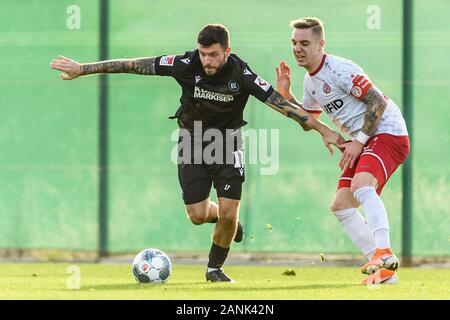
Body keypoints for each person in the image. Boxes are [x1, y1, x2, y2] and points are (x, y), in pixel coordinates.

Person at [51, 23, 343, 283]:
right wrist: (84, 69)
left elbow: (281, 103)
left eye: (213, 54)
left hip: (228, 144)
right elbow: (133, 64)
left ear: (227, 51)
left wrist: (322, 129)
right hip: (191, 143)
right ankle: (227, 221)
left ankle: (214, 269)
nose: (207, 61)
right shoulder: (186, 63)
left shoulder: (241, 74)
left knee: (229, 211)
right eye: (203, 54)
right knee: (198, 215)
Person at [276, 17, 409, 285]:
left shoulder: (339, 69)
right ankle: (385, 271)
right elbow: (309, 120)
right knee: (341, 206)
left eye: (304, 43)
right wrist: (287, 96)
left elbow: (376, 102)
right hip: (366, 138)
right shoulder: (310, 81)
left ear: (320, 44)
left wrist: (358, 140)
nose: (297, 49)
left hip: (388, 132)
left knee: (362, 187)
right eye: (294, 43)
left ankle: (383, 253)